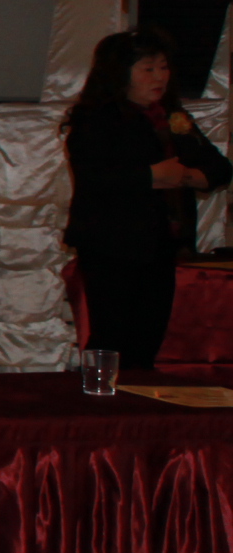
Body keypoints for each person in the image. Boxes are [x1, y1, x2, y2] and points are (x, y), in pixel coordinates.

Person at [65, 28, 229, 369]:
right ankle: (100, 396)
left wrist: (186, 176)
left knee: (148, 336)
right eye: (148, 69)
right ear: (120, 74)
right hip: (111, 243)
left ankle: (136, 395)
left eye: (164, 68)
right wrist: (151, 176)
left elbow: (218, 168)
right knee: (111, 334)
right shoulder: (96, 118)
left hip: (161, 244)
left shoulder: (171, 116)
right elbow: (93, 177)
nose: (159, 77)